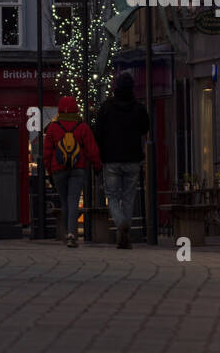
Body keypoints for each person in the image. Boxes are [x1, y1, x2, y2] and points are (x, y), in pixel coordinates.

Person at [94, 71, 151, 249]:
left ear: (116, 87)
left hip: (111, 159)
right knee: (128, 197)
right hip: (133, 159)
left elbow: (97, 133)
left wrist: (101, 152)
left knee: (111, 196)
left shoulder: (106, 107)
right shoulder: (138, 108)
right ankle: (125, 232)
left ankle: (120, 224)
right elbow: (145, 127)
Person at [43, 95, 101, 247]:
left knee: (64, 201)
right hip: (78, 168)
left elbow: (47, 152)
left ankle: (67, 232)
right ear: (76, 109)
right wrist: (97, 166)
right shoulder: (82, 127)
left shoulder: (53, 128)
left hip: (58, 169)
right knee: (73, 200)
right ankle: (71, 233)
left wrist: (49, 170)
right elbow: (92, 150)